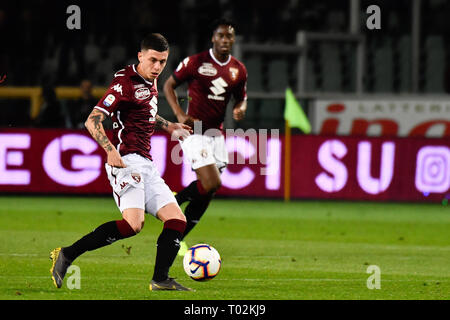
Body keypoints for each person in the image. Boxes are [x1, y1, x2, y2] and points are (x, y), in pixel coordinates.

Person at [50, 33, 194, 291]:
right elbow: (92, 120)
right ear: (140, 56)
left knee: (176, 220)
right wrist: (109, 150)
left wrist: (168, 125)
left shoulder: (149, 81)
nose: (158, 67)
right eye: (153, 60)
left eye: (162, 61)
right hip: (125, 161)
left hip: (146, 163)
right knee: (133, 225)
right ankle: (68, 254)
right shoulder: (123, 83)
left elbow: (144, 111)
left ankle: (160, 279)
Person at [163, 18, 247, 255]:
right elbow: (168, 85)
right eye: (220, 36)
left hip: (216, 133)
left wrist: (241, 108)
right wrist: (179, 113)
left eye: (229, 36)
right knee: (212, 183)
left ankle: (177, 238)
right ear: (213, 38)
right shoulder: (196, 62)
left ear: (233, 40)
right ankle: (175, 201)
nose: (224, 40)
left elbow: (241, 97)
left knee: (207, 192)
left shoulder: (238, 70)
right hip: (194, 130)